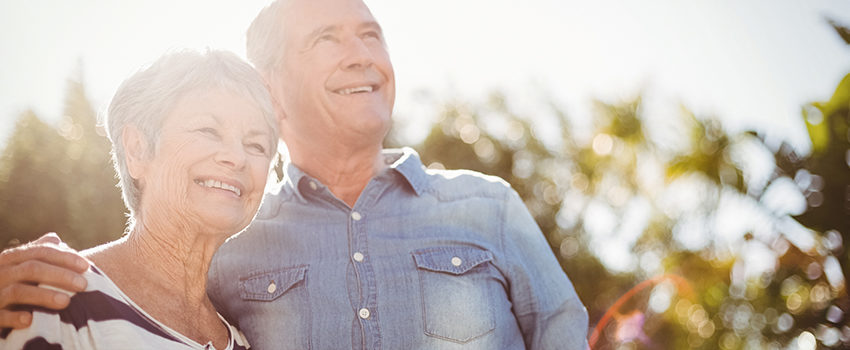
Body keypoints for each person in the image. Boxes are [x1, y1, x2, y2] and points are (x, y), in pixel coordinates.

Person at [0, 0, 589, 348]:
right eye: (326, 38)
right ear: (271, 86)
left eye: (370, 34)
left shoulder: (490, 207)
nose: (361, 54)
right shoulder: (228, 243)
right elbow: (139, 285)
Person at [0, 49, 279, 349]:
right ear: (137, 150)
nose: (237, 158)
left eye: (256, 145)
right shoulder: (51, 300)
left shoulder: (241, 342)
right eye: (209, 130)